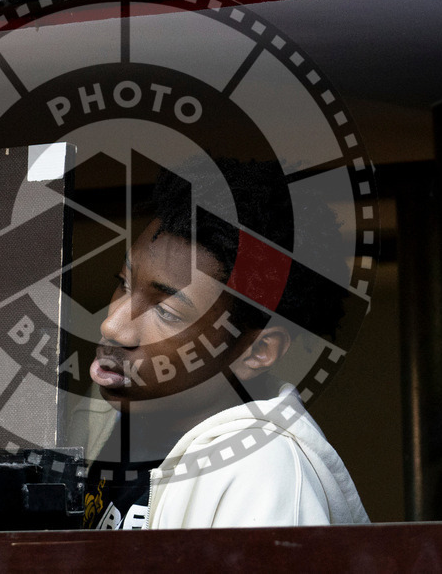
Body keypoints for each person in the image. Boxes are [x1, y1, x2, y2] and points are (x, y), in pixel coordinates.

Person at [74, 158, 369, 530]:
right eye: (125, 283)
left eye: (165, 311)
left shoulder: (263, 475)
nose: (112, 324)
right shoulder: (100, 428)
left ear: (256, 352)